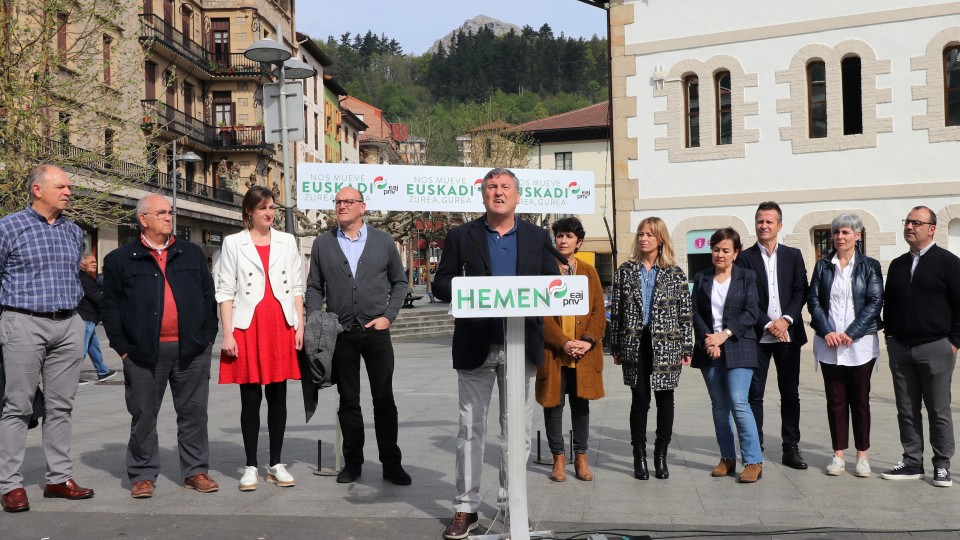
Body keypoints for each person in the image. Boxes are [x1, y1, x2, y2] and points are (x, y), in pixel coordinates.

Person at [433, 168, 558, 540]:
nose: (498, 192)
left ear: (518, 197)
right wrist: (468, 290)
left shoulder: (537, 237)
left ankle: (512, 504)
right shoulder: (461, 236)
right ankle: (465, 508)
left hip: (522, 346)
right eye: (491, 187)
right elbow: (440, 283)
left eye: (505, 187)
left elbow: (552, 285)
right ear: (482, 195)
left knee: (517, 434)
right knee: (470, 428)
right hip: (476, 344)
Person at [101, 194, 219, 499]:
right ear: (144, 220)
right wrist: (123, 348)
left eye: (170, 212)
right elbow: (110, 307)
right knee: (143, 414)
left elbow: (209, 298)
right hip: (142, 353)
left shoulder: (191, 253)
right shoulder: (120, 259)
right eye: (162, 212)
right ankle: (142, 475)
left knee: (194, 413)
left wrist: (207, 337)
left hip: (191, 350)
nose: (169, 217)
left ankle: (196, 471)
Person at [0, 163, 93, 513]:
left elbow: (72, 275)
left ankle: (58, 477)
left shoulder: (73, 231)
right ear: (38, 190)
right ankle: (10, 484)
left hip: (68, 323)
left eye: (69, 187)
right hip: (23, 322)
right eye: (62, 186)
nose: (69, 192)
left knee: (62, 406)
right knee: (18, 407)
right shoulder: (8, 228)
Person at [305, 186, 409, 486]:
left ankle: (391, 463)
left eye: (347, 201)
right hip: (341, 332)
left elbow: (399, 282)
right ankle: (352, 463)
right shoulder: (324, 243)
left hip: (376, 332)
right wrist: (316, 319)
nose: (341, 206)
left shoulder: (383, 241)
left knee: (384, 399)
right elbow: (314, 286)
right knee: (348, 400)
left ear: (362, 207)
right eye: (337, 201)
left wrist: (388, 316)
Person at [216, 186, 303, 491]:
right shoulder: (233, 243)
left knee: (278, 395)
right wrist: (227, 333)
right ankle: (250, 465)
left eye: (272, 207)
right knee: (250, 397)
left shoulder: (287, 241)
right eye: (263, 208)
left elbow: (296, 287)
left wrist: (300, 325)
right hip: (247, 326)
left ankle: (276, 463)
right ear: (249, 212)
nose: (269, 213)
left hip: (280, 324)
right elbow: (225, 292)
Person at [881, 206, 960, 487]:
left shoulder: (949, 263)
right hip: (901, 348)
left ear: (932, 229)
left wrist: (954, 342)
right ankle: (912, 461)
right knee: (906, 408)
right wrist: (890, 337)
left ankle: (942, 465)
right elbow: (889, 304)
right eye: (908, 221)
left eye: (917, 222)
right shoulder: (898, 264)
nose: (910, 227)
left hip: (936, 346)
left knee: (939, 409)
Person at [609, 217, 692, 481]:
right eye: (641, 234)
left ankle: (661, 456)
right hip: (635, 342)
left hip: (666, 343)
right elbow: (617, 311)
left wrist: (687, 346)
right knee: (640, 400)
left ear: (660, 240)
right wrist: (615, 346)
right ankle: (639, 456)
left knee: (665, 400)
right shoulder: (625, 270)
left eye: (650, 235)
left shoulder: (674, 272)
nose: (643, 238)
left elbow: (685, 313)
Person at [807, 213, 883, 478]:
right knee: (836, 401)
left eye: (846, 232)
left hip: (859, 345)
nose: (840, 237)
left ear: (858, 236)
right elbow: (813, 300)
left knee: (860, 401)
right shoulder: (822, 266)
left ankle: (862, 456)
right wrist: (826, 331)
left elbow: (875, 302)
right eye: (836, 232)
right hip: (829, 344)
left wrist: (852, 332)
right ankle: (838, 454)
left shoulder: (870, 266)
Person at [735, 201, 809, 470]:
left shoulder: (793, 255)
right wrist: (768, 324)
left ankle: (791, 447)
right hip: (757, 337)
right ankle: (755, 449)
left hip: (788, 335)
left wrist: (786, 320)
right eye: (759, 221)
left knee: (790, 393)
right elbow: (744, 297)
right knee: (754, 394)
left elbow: (801, 289)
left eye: (769, 221)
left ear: (779, 225)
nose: (764, 225)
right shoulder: (744, 258)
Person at [536, 217, 606, 483]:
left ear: (579, 242)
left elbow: (599, 310)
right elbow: (539, 313)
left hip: (584, 352)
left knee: (581, 404)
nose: (563, 241)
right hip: (555, 352)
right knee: (553, 404)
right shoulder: (544, 270)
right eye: (559, 236)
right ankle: (558, 458)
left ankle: (581, 457)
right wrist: (563, 342)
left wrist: (587, 340)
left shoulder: (589, 271)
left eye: (568, 236)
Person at [691, 227, 763, 483]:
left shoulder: (747, 277)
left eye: (725, 250)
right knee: (720, 406)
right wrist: (709, 340)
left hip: (740, 345)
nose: (719, 255)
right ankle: (727, 458)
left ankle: (753, 460)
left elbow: (751, 313)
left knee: (738, 401)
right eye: (715, 249)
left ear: (736, 253)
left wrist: (725, 335)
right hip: (710, 348)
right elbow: (695, 312)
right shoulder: (702, 277)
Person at [77, 253, 117, 383]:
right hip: (85, 318)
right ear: (82, 264)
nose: (95, 263)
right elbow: (96, 297)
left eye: (95, 261)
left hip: (91, 319)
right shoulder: (82, 278)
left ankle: (102, 372)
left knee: (94, 347)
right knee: (81, 349)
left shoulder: (88, 277)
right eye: (91, 261)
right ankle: (72, 376)